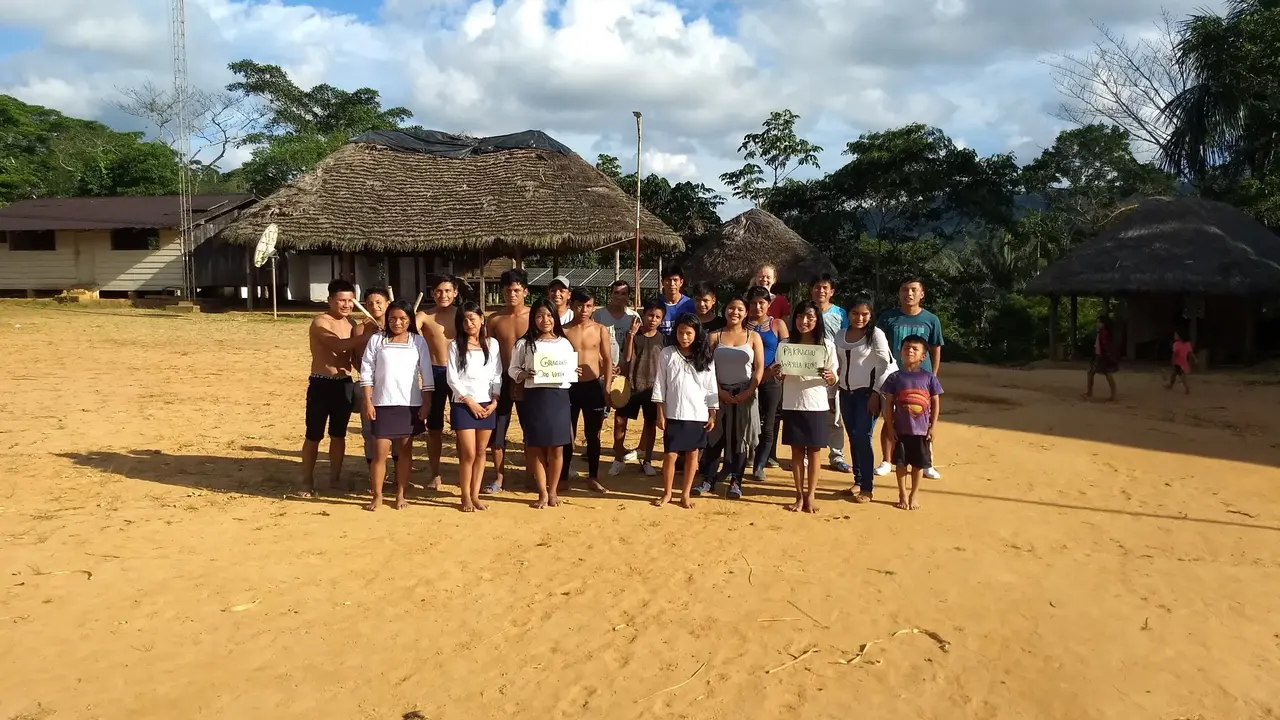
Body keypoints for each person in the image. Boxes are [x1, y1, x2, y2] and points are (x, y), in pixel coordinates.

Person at [300, 279, 374, 497]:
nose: (347, 305)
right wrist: (366, 335)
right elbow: (337, 345)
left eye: (351, 300)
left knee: (338, 434)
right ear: (330, 300)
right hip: (321, 383)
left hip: (344, 384)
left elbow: (353, 359)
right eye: (342, 300)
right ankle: (306, 481)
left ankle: (335, 479)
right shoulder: (320, 322)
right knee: (314, 434)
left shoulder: (351, 325)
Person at [359, 300, 434, 511]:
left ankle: (401, 493)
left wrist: (426, 403)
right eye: (392, 318)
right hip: (382, 403)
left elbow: (426, 375)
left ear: (410, 320)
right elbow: (366, 372)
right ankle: (378, 495)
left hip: (409, 405)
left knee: (404, 452)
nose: (397, 323)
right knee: (379, 453)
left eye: (402, 318)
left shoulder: (418, 342)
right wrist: (368, 401)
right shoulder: (376, 340)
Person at [509, 299, 579, 508]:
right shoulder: (524, 343)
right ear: (534, 319)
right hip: (534, 398)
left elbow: (569, 370)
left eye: (549, 315)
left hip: (558, 398)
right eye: (540, 316)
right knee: (536, 447)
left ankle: (553, 490)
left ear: (555, 318)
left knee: (557, 447)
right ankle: (542, 492)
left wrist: (574, 372)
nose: (545, 320)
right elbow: (513, 369)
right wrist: (523, 373)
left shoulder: (564, 343)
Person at [875, 277, 944, 480]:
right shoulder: (888, 318)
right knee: (890, 418)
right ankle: (887, 460)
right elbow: (878, 345)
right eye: (905, 290)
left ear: (922, 294)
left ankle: (926, 462)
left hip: (923, 380)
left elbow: (936, 349)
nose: (909, 294)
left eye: (914, 290)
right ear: (899, 293)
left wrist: (934, 375)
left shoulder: (931, 320)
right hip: (894, 377)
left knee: (924, 419)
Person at [774, 300, 839, 513]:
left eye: (810, 317)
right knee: (796, 452)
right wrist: (779, 374)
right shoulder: (785, 346)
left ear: (817, 320)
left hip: (816, 404)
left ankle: (811, 495)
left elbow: (833, 377)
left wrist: (831, 377)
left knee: (814, 452)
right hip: (792, 403)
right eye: (801, 317)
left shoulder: (826, 346)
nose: (804, 321)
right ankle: (798, 495)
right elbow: (780, 375)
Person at [696, 295, 763, 499]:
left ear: (746, 313)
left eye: (740, 309)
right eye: (731, 308)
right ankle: (708, 479)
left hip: (746, 395)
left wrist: (748, 392)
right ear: (725, 310)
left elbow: (759, 368)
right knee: (715, 438)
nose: (735, 312)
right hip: (718, 394)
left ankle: (736, 481)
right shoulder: (714, 336)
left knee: (739, 439)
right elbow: (706, 368)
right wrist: (719, 392)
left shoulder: (753, 337)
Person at [652, 313, 718, 508]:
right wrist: (660, 412)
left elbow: (711, 386)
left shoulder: (706, 357)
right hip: (673, 412)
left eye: (689, 333)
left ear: (697, 334)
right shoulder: (667, 353)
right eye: (680, 332)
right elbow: (660, 384)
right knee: (670, 455)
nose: (684, 337)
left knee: (692, 455)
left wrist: (712, 411)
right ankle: (667, 493)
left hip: (697, 413)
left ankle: (685, 494)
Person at [834, 295, 894, 503]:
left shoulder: (876, 335)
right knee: (853, 437)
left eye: (864, 314)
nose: (859, 317)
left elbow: (884, 364)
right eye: (855, 313)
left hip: (867, 394)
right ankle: (858, 481)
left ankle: (867, 487)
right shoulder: (840, 335)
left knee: (863, 437)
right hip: (845, 393)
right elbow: (836, 362)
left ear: (871, 315)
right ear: (848, 314)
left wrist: (876, 392)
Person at [448, 300, 503, 512]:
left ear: (481, 319)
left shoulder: (492, 344)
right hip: (463, 403)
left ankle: (475, 494)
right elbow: (453, 378)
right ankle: (465, 496)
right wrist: (468, 401)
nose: (468, 323)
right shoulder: (454, 346)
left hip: (487, 402)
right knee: (468, 453)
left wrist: (495, 400)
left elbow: (496, 373)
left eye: (472, 318)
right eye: (464, 320)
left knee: (481, 451)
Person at [881, 335, 943, 511]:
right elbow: (889, 404)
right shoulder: (895, 378)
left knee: (918, 465)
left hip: (921, 431)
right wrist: (890, 427)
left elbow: (935, 403)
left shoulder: (930, 378)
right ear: (900, 353)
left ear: (923, 356)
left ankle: (913, 494)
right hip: (900, 429)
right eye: (906, 348)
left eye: (915, 349)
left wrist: (933, 426)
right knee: (900, 464)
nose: (910, 351)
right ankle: (902, 493)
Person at [484, 268, 532, 493]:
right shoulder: (494, 319)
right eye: (507, 291)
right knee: (498, 431)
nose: (511, 294)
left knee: (530, 430)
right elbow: (487, 353)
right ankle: (499, 477)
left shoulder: (535, 317)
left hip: (527, 380)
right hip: (501, 380)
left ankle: (531, 476)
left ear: (525, 291)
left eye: (515, 290)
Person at [561, 288, 613, 493]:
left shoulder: (600, 329)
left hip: (593, 387)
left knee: (594, 435)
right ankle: (563, 476)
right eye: (580, 305)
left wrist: (607, 386)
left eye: (589, 305)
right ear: (572, 305)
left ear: (594, 307)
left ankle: (593, 476)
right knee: (567, 434)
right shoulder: (563, 330)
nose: (584, 310)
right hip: (569, 387)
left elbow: (608, 359)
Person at [610, 297, 667, 477]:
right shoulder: (634, 335)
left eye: (658, 317)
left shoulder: (664, 339)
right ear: (643, 315)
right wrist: (631, 336)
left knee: (650, 424)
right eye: (650, 315)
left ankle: (647, 460)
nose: (653, 320)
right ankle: (618, 459)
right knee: (620, 422)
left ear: (662, 319)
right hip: (631, 386)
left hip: (652, 388)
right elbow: (627, 358)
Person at [416, 275, 459, 490]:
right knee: (434, 427)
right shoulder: (424, 316)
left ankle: (465, 470)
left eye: (448, 291)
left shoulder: (462, 315)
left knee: (462, 426)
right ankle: (435, 473)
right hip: (433, 373)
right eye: (439, 291)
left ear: (455, 292)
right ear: (433, 293)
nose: (443, 295)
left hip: (459, 374)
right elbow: (406, 330)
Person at [745, 285, 789, 480]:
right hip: (746, 381)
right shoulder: (742, 324)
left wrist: (775, 371)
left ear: (769, 304)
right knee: (747, 422)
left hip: (771, 381)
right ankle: (747, 457)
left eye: (761, 303)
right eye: (753, 303)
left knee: (768, 423)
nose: (757, 307)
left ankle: (760, 465)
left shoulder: (778, 324)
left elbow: (787, 353)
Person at [593, 279, 641, 458]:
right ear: (610, 294)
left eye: (623, 293)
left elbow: (636, 344)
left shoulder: (634, 316)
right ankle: (594, 445)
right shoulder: (599, 315)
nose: (619, 297)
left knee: (622, 413)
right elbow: (593, 342)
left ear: (628, 296)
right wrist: (604, 365)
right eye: (616, 293)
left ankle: (618, 448)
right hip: (602, 371)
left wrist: (625, 366)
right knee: (599, 412)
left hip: (625, 371)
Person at [810, 273, 851, 474]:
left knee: (835, 415)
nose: (821, 291)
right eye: (817, 287)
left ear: (832, 292)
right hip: (807, 372)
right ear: (811, 290)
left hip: (834, 371)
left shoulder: (841, 314)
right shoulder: (806, 312)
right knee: (809, 414)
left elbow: (844, 342)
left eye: (825, 288)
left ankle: (837, 456)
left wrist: (840, 370)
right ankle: (809, 456)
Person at [352, 287, 390, 478]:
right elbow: (356, 361)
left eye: (379, 303)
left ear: (387, 304)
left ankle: (400, 477)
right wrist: (366, 335)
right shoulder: (359, 329)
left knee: (398, 434)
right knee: (370, 432)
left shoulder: (399, 327)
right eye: (369, 304)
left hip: (394, 388)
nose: (374, 307)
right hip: (369, 387)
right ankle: (373, 476)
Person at [1085, 315, 1119, 401]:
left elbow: (1105, 346)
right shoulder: (1101, 332)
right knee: (1094, 373)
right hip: (1100, 356)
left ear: (1103, 324)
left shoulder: (1103, 333)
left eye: (1099, 322)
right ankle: (1112, 395)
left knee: (1104, 374)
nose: (1097, 324)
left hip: (1102, 356)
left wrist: (1108, 357)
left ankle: (1090, 392)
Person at [658, 265, 696, 336]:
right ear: (662, 282)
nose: (672, 284)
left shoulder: (691, 304)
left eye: (675, 280)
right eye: (668, 280)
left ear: (681, 282)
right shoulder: (656, 304)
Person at [1167, 328, 1195, 394]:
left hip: (1178, 363)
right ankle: (1171, 385)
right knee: (1174, 374)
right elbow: (1190, 353)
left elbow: (1174, 354)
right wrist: (1194, 359)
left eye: (1176, 335)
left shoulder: (1176, 344)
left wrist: (1173, 362)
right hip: (1184, 363)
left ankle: (1186, 387)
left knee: (1181, 376)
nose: (1174, 336)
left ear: (1180, 336)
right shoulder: (1188, 344)